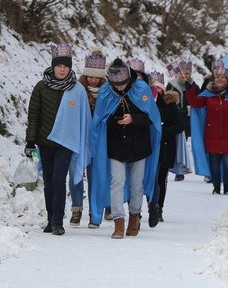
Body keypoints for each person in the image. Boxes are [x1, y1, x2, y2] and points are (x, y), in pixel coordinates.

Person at [90, 58, 161, 238]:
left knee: (137, 185)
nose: (120, 88)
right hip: (115, 144)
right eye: (116, 84)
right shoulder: (106, 91)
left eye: (122, 84)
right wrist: (116, 120)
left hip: (139, 145)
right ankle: (118, 221)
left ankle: (134, 217)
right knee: (117, 182)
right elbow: (100, 119)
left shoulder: (141, 89)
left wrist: (133, 119)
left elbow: (151, 118)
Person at [25, 43, 92, 235]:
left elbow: (83, 117)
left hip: (66, 143)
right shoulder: (41, 87)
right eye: (59, 65)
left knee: (58, 179)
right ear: (53, 66)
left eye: (66, 65)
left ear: (70, 67)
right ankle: (49, 218)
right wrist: (30, 141)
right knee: (48, 181)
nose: (62, 69)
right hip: (45, 142)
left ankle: (57, 221)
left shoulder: (77, 90)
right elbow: (33, 115)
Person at [187, 60, 228, 195]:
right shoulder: (207, 96)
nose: (220, 79)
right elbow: (195, 103)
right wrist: (190, 87)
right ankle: (216, 186)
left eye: (223, 77)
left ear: (227, 80)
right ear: (213, 80)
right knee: (214, 164)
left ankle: (227, 186)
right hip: (211, 135)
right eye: (217, 77)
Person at [69, 49, 106, 228]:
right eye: (90, 77)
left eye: (97, 77)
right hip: (78, 138)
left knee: (95, 177)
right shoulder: (77, 90)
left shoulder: (107, 93)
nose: (93, 80)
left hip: (97, 141)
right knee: (75, 173)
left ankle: (95, 212)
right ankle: (76, 209)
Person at [147, 72, 184, 228]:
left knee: (160, 179)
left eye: (158, 88)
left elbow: (179, 125)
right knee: (146, 178)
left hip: (164, 147)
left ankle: (158, 208)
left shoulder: (170, 105)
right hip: (147, 146)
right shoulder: (145, 102)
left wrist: (162, 131)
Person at [165, 60, 195, 181]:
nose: (185, 76)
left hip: (188, 118)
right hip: (174, 117)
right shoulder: (172, 85)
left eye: (187, 74)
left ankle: (181, 169)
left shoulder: (193, 85)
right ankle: (173, 168)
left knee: (183, 143)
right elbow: (166, 98)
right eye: (182, 73)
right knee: (174, 144)